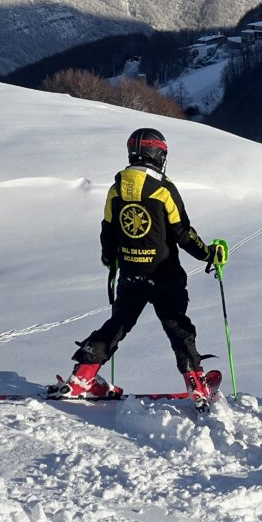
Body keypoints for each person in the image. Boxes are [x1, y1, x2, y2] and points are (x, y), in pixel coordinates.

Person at [48, 128, 228, 411]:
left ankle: (81, 379)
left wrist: (110, 259)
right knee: (177, 327)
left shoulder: (116, 188)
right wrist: (209, 254)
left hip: (131, 274)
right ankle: (196, 384)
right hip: (165, 275)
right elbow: (183, 233)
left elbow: (108, 231)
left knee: (117, 325)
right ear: (159, 155)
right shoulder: (163, 189)